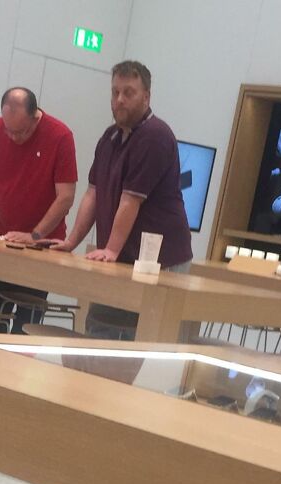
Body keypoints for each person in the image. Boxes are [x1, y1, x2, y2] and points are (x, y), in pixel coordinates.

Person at [52, 61, 192, 339]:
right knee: (99, 327)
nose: (119, 100)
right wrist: (71, 242)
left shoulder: (155, 136)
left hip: (158, 261)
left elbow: (131, 200)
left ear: (146, 96)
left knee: (126, 338)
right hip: (122, 258)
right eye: (115, 92)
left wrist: (111, 250)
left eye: (129, 93)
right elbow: (93, 194)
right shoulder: (110, 137)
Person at [0, 87, 77, 333]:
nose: (14, 137)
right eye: (9, 130)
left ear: (35, 117)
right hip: (3, 237)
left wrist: (35, 235)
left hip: (43, 244)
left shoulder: (60, 136)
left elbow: (65, 197)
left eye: (22, 131)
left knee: (27, 320)